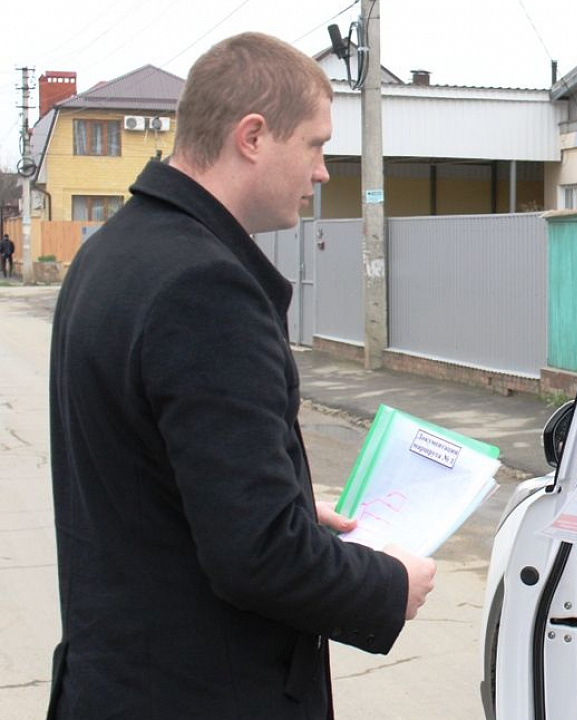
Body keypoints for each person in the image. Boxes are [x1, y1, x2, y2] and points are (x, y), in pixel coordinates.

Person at [47, 33, 436, 720]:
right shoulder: (205, 288)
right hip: (199, 693)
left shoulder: (112, 251)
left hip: (115, 682)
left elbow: (150, 476)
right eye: (315, 146)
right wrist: (387, 584)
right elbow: (256, 555)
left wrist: (276, 501)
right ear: (252, 136)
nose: (322, 172)